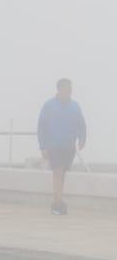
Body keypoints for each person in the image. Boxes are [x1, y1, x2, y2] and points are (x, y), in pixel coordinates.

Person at [37, 78, 87, 216]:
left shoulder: (75, 106)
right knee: (57, 172)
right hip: (54, 146)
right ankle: (58, 203)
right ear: (59, 89)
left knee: (62, 174)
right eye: (67, 89)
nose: (69, 91)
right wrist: (43, 147)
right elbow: (41, 127)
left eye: (70, 89)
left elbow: (81, 124)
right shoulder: (49, 106)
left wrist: (82, 139)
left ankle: (57, 202)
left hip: (69, 147)